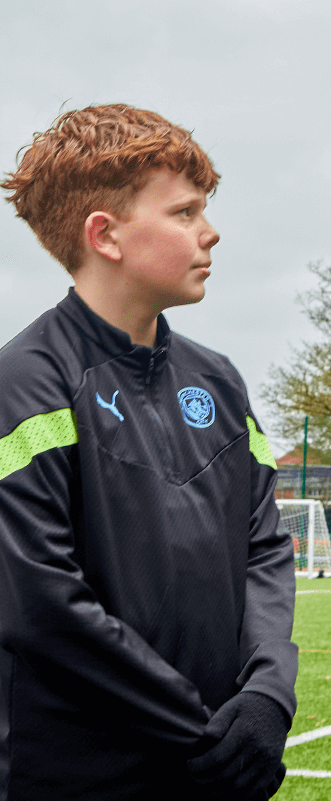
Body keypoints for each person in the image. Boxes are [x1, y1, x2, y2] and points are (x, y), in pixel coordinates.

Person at [0, 105, 297, 800]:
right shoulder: (24, 383)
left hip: (221, 766)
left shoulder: (219, 380)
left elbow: (265, 552)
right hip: (76, 778)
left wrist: (265, 702)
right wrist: (197, 730)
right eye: (186, 213)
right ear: (104, 236)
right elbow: (43, 602)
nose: (210, 230)